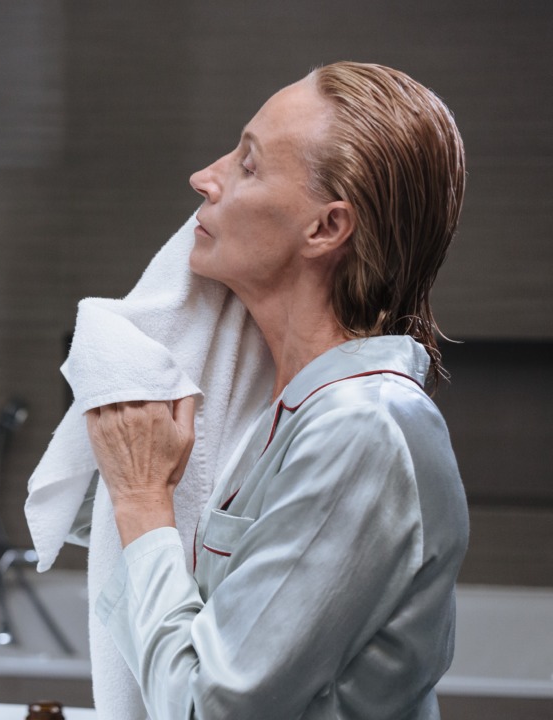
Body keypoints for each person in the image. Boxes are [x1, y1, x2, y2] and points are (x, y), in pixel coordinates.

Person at [84, 62, 469, 719]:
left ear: (325, 228)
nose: (205, 178)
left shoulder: (362, 432)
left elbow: (206, 707)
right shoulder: (286, 411)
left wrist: (143, 498)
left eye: (249, 164)